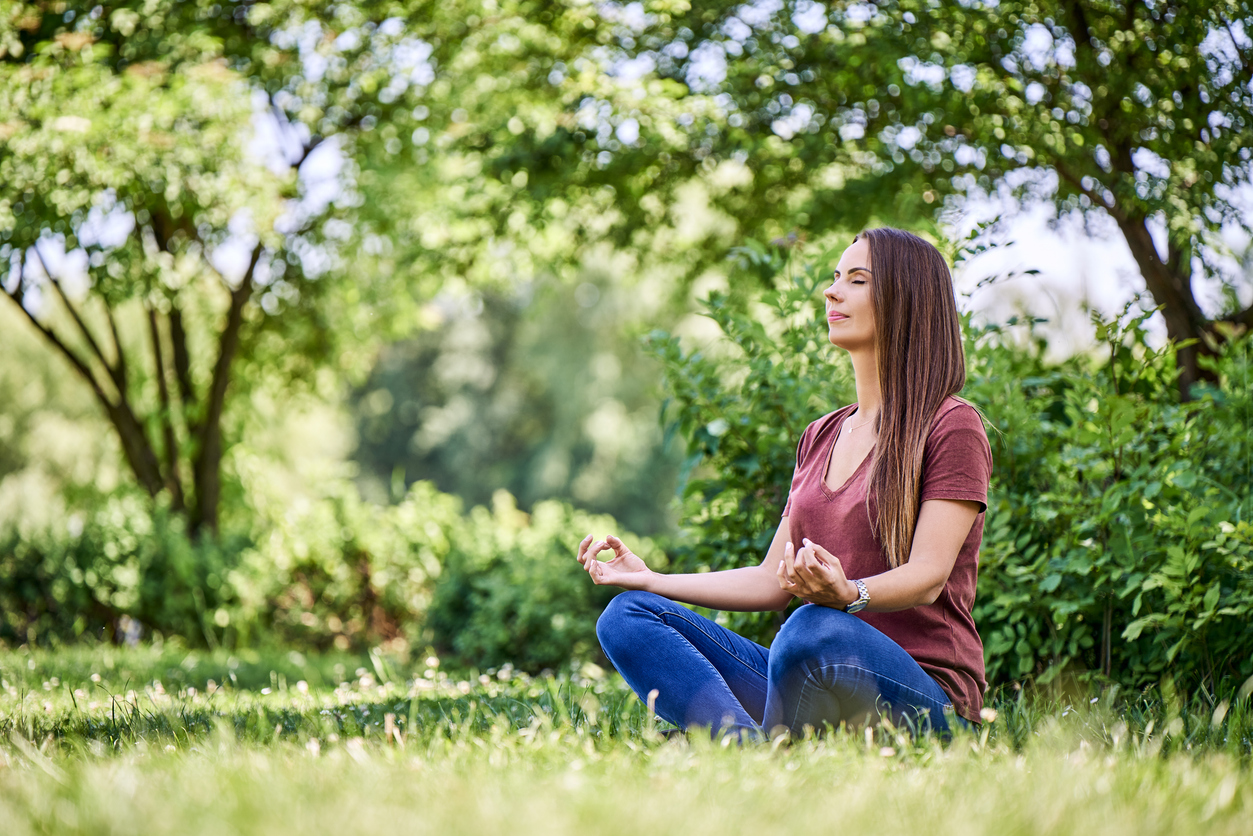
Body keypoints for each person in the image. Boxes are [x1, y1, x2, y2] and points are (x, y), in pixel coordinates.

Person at [576, 228, 992, 740]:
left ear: (906, 300)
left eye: (856, 280)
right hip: (814, 680)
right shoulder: (821, 436)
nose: (831, 291)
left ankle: (759, 747)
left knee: (811, 627)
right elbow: (771, 581)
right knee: (627, 616)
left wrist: (849, 593)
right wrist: (650, 579)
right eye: (835, 277)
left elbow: (928, 575)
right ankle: (745, 749)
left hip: (923, 700)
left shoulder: (951, 424)